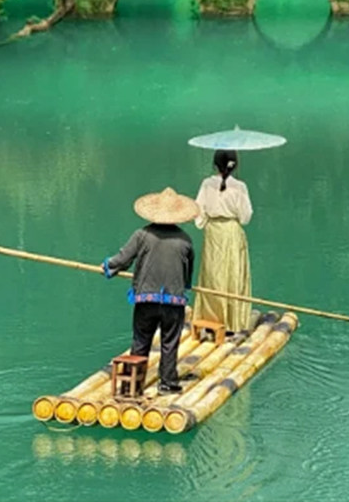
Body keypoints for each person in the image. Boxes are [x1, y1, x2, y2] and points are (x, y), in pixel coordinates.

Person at [102, 187, 197, 394]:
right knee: (169, 342)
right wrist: (183, 288)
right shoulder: (185, 241)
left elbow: (123, 259)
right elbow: (187, 274)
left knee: (140, 341)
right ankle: (167, 383)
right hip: (174, 302)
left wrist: (109, 266)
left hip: (146, 300)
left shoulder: (142, 235)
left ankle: (131, 386)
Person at [192, 149, 253, 333]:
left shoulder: (206, 184)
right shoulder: (240, 186)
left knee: (212, 274)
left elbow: (198, 212)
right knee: (233, 273)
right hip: (232, 231)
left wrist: (204, 221)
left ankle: (211, 318)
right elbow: (245, 216)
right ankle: (233, 322)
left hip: (213, 232)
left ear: (215, 164)